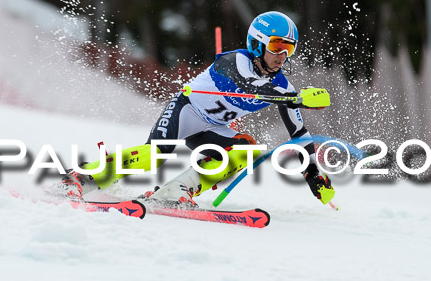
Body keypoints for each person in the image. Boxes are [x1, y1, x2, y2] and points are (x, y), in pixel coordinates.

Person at [57, 11, 335, 206]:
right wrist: (295, 98)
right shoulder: (235, 60)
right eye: (276, 46)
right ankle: (82, 177)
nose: (282, 55)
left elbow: (300, 133)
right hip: (187, 111)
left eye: (289, 48)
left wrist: (312, 173)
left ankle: (177, 190)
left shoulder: (282, 88)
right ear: (257, 42)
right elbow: (248, 85)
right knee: (154, 155)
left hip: (213, 128)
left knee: (245, 151)